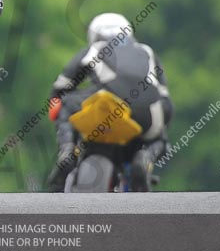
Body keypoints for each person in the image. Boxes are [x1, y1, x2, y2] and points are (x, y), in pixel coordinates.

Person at [45, 12, 173, 192]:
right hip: (149, 116)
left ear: (95, 35)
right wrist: (160, 129)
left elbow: (61, 87)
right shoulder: (147, 52)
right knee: (160, 138)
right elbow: (166, 101)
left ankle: (67, 152)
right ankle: (146, 157)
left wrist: (61, 104)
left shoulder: (95, 48)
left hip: (109, 108)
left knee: (65, 102)